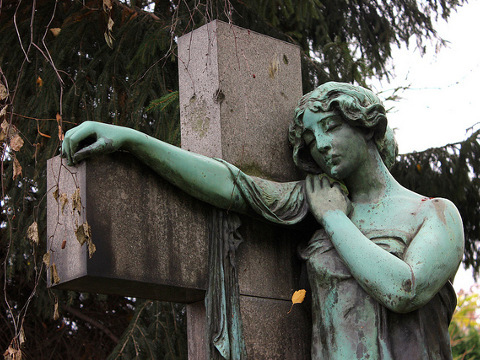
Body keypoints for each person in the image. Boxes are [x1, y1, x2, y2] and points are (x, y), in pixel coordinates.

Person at [62, 82, 464, 359]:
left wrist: (335, 220)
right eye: (311, 140)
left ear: (368, 127)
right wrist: (134, 140)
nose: (321, 145)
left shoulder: (435, 214)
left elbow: (405, 289)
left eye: (331, 127)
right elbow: (233, 186)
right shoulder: (316, 199)